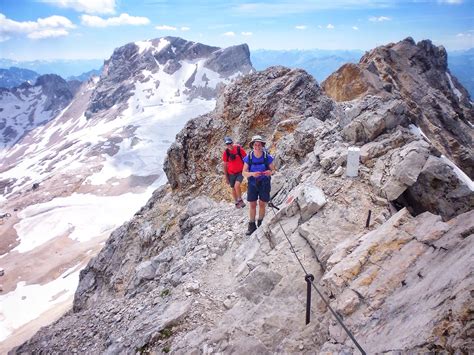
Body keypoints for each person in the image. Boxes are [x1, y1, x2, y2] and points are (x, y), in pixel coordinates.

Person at [242, 135, 275, 236]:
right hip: (252, 183)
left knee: (262, 203)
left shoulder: (267, 157)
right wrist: (252, 174)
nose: (257, 146)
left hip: (264, 183)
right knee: (252, 204)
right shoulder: (249, 157)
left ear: (262, 145)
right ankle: (252, 225)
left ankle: (260, 223)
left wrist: (270, 172)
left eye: (259, 144)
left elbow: (273, 170)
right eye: (255, 144)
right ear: (252, 145)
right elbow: (244, 172)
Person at [222, 136, 247, 208]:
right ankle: (236, 202)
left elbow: (246, 158)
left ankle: (240, 200)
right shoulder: (226, 153)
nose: (229, 145)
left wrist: (247, 168)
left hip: (240, 172)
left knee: (237, 185)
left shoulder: (239, 149)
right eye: (227, 144)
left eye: (230, 143)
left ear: (232, 143)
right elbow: (225, 165)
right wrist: (226, 177)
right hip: (231, 173)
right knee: (233, 187)